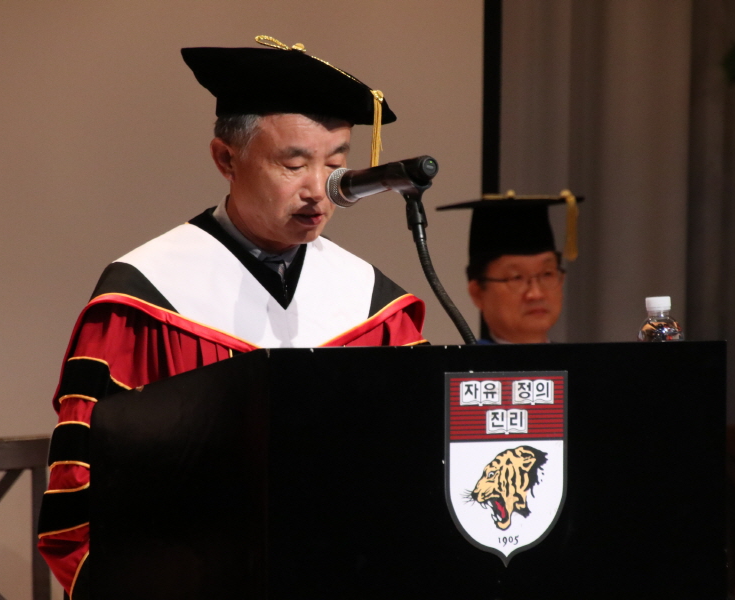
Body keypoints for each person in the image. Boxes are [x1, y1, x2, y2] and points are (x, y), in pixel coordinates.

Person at [36, 36, 426, 599]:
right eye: (294, 164)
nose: (319, 191)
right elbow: (83, 493)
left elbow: (415, 472)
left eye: (336, 165)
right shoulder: (145, 299)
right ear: (226, 159)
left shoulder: (373, 307)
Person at [437, 191, 581, 344]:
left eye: (547, 274)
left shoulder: (584, 359)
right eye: (516, 278)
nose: (536, 294)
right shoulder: (464, 360)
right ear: (477, 293)